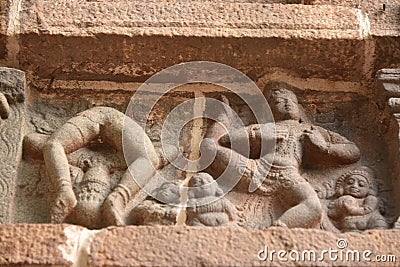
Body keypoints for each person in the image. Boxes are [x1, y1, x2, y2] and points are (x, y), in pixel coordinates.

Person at [200, 83, 361, 228]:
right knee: (209, 148)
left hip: (288, 175)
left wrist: (324, 147)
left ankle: (279, 229)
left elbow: (353, 152)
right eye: (279, 102)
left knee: (313, 206)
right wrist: (259, 134)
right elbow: (227, 140)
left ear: (299, 106)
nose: (286, 104)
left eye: (290, 100)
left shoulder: (314, 130)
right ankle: (223, 116)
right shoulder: (267, 127)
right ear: (270, 110)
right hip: (256, 169)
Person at [42, 106, 160, 225]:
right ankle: (119, 197)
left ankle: (65, 191)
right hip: (108, 121)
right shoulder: (118, 163)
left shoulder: (76, 160)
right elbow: (158, 157)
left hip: (97, 118)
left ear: (77, 188)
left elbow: (45, 143)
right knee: (151, 159)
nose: (91, 192)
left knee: (52, 144)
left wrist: (63, 187)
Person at [328, 166, 388, 232]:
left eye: (361, 184)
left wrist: (352, 210)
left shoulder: (371, 199)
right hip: (349, 223)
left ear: (369, 188)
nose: (354, 186)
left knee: (379, 223)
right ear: (342, 185)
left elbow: (368, 209)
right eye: (350, 183)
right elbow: (332, 214)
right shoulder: (344, 198)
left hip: (369, 221)